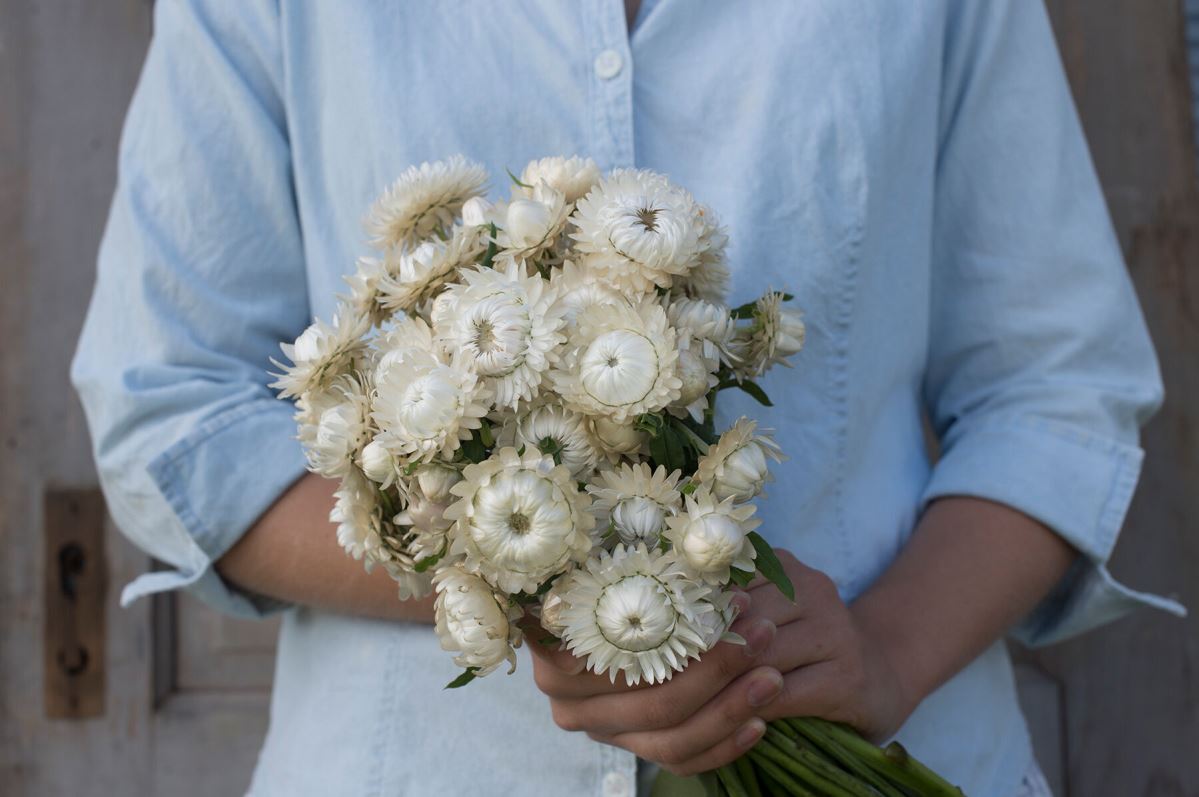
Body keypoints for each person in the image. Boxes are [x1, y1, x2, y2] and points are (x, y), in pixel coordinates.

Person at [71, 1, 1180, 795]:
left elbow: (1055, 387)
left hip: (904, 749)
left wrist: (888, 647)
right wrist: (562, 589)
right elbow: (173, 411)